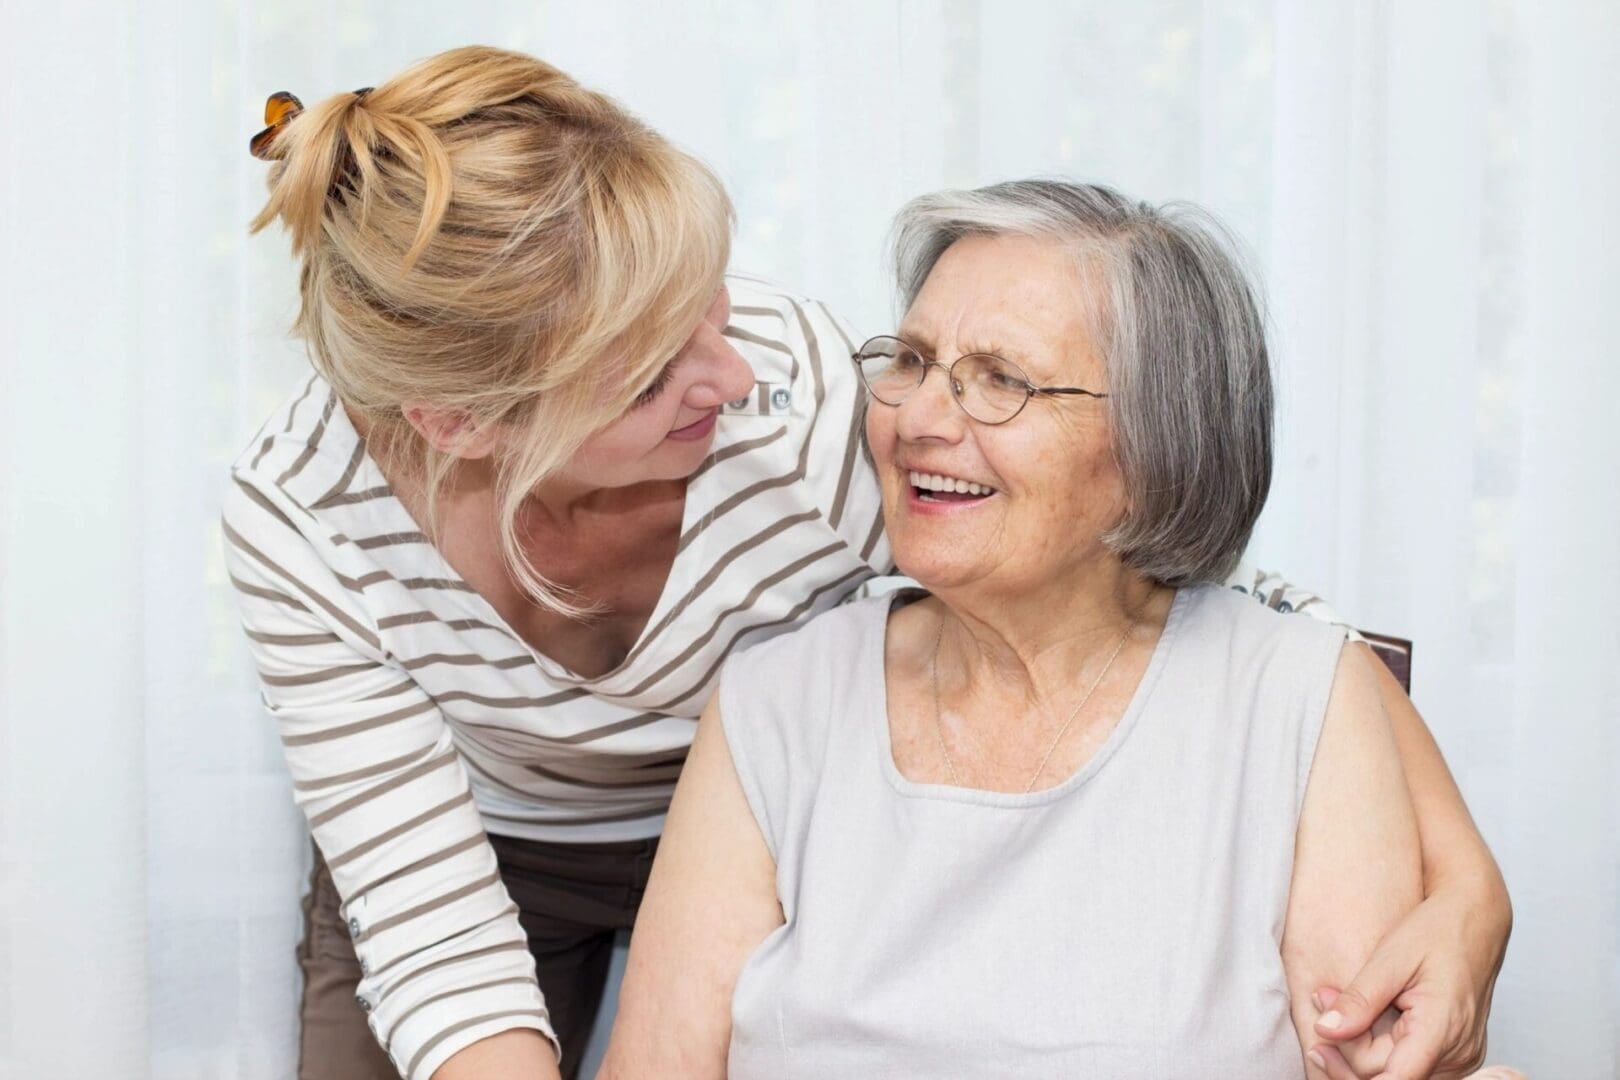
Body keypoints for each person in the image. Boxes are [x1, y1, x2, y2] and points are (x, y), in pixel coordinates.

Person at [226, 47, 1508, 1080]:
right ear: (472, 428)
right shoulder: (304, 514)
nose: (729, 380)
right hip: (492, 836)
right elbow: (435, 933)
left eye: (713, 314)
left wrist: (1468, 889)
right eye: (655, 372)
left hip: (747, 811)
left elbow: (1193, 575)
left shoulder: (801, 413)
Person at [600, 181, 1517, 1079]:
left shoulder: (1297, 701)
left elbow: (1365, 1063)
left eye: (1001, 380)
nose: (918, 419)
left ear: (1157, 449)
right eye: (912, 361)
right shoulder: (775, 704)